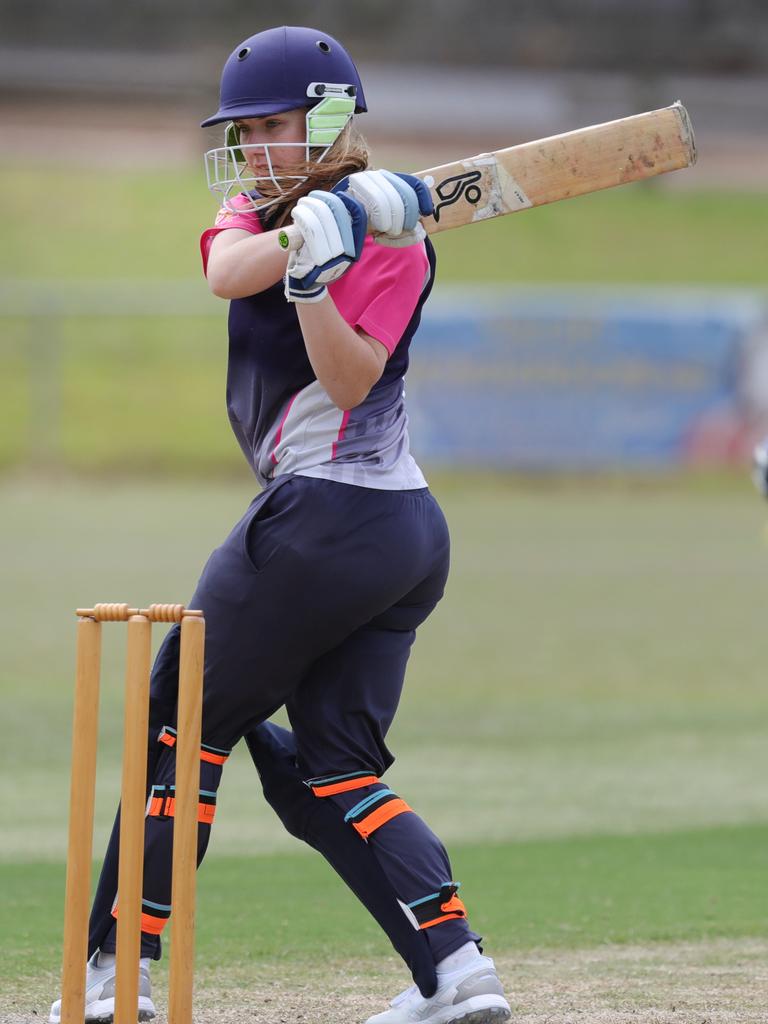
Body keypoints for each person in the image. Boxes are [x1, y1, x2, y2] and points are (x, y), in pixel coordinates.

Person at [50, 26, 511, 1024]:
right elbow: (226, 271)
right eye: (245, 130)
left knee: (177, 722)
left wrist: (323, 275)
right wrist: (311, 233)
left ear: (331, 121)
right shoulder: (256, 212)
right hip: (384, 537)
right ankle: (455, 969)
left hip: (334, 517)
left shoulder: (402, 242)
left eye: (271, 127)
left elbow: (349, 378)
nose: (253, 147)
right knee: (330, 769)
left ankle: (112, 977)